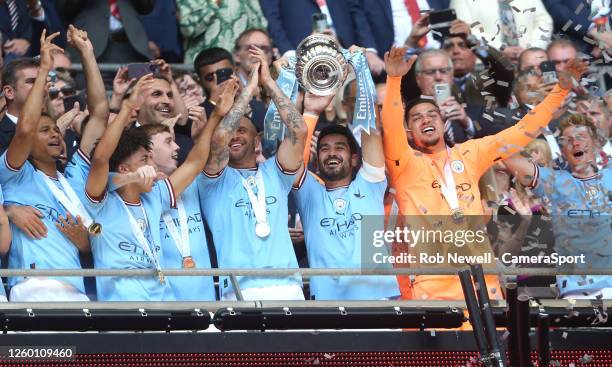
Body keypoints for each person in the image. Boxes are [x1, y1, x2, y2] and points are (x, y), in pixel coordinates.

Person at [381, 46, 585, 301]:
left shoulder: (470, 153)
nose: (426, 120)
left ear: (443, 123)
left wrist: (560, 90)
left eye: (432, 114)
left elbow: (521, 131)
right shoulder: (404, 164)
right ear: (408, 132)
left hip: (484, 284)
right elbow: (390, 128)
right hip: (433, 287)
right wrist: (394, 80)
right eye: (417, 118)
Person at [84, 68, 225, 301]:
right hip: (123, 310)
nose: (152, 166)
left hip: (162, 303)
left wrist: (217, 115)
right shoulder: (100, 199)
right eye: (144, 159)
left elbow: (194, 163)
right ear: (123, 167)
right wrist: (128, 107)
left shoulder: (155, 196)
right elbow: (101, 159)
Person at [198, 47, 307, 301]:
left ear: (257, 141)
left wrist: (268, 83)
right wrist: (248, 90)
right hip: (238, 291)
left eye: (242, 130)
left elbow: (299, 130)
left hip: (288, 287)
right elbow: (220, 137)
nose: (234, 135)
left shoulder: (275, 174)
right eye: (232, 129)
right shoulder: (211, 181)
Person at [0, 30, 90, 302]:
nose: (54, 136)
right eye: (45, 131)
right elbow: (25, 131)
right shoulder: (17, 170)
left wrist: (88, 240)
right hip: (31, 282)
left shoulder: (69, 180)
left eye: (56, 131)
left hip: (78, 288)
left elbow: (96, 226)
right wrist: (8, 209)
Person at [292, 92, 400, 300]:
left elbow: (372, 133)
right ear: (317, 157)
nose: (331, 153)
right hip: (327, 303)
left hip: (378, 299)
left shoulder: (370, 184)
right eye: (324, 149)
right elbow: (293, 161)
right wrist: (311, 113)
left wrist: (362, 77)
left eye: (339, 148)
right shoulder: (309, 194)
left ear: (353, 159)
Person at [503, 113, 611, 299]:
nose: (575, 143)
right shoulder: (553, 181)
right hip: (575, 292)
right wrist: (533, 123)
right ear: (562, 151)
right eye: (568, 140)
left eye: (581, 137)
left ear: (596, 143)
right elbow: (504, 155)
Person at [259, 0, 384, 75]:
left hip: (348, 51)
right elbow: (272, 18)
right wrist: (291, 55)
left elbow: (355, 9)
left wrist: (369, 50)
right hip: (303, 55)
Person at [449, 0, 553, 64]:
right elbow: (463, 28)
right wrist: (499, 49)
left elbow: (544, 22)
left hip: (528, 64)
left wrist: (529, 51)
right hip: (486, 66)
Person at [56, 0, 154, 62]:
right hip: (90, 47)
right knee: (92, 93)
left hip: (132, 47)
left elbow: (147, 6)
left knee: (137, 91)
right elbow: (64, 9)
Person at [178, 0, 267, 63]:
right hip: (205, 69)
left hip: (240, 67)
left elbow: (260, 26)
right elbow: (189, 29)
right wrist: (214, 2)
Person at [0, 58, 39, 151]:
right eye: (32, 81)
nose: (41, 87)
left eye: (42, 81)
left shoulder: (60, 133)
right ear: (9, 92)